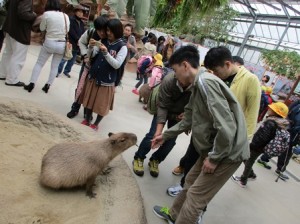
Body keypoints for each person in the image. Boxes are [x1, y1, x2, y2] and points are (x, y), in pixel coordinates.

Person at [151, 46, 249, 224]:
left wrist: (214, 158)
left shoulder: (206, 82)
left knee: (196, 197)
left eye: (175, 70)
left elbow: (226, 127)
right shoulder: (197, 85)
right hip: (211, 148)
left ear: (185, 66)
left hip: (227, 153)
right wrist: (165, 136)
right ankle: (173, 215)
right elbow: (188, 119)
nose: (174, 75)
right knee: (189, 181)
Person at [167, 49, 261, 196]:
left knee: (205, 179)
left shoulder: (250, 80)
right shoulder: (210, 77)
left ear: (228, 64)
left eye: (216, 71)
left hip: (226, 136)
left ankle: (196, 206)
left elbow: (252, 113)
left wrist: (244, 139)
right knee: (192, 159)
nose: (214, 75)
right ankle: (184, 188)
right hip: (207, 130)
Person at [132, 66, 192, 178]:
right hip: (163, 109)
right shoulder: (169, 80)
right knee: (153, 134)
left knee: (171, 140)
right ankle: (139, 157)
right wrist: (159, 130)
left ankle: (155, 160)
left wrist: (188, 116)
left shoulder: (196, 84)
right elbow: (162, 106)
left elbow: (195, 105)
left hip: (179, 116)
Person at [80, 18, 127, 131]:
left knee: (102, 105)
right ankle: (87, 119)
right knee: (89, 101)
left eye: (110, 31)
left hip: (107, 81)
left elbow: (117, 65)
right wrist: (91, 47)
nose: (108, 33)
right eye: (107, 30)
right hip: (94, 76)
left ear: (117, 31)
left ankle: (96, 124)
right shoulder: (103, 40)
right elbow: (91, 55)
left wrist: (106, 53)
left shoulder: (122, 47)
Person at [232, 102, 289, 187]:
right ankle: (251, 175)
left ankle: (243, 180)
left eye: (271, 109)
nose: (269, 109)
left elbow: (263, 137)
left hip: (257, 147)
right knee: (247, 159)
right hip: (262, 147)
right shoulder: (278, 123)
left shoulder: (271, 123)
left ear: (276, 112)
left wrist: (252, 145)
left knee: (248, 160)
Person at [66, 15, 109, 119]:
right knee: (80, 86)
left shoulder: (109, 37)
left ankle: (87, 112)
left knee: (91, 90)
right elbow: (81, 42)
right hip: (87, 65)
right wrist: (85, 55)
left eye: (104, 30)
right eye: (99, 31)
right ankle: (75, 107)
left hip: (99, 69)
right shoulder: (90, 32)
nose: (102, 33)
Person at [23, 0, 69, 93]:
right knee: (55, 66)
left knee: (39, 63)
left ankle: (31, 84)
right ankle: (47, 85)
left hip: (49, 42)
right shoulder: (65, 16)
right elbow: (67, 30)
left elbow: (42, 28)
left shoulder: (47, 14)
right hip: (61, 44)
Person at [257, 100, 300, 180]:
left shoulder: (297, 103)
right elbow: (297, 123)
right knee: (287, 152)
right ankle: (280, 170)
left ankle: (263, 159)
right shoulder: (297, 105)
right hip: (292, 134)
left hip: (287, 128)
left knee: (276, 144)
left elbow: (289, 113)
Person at [0, 0, 36, 86]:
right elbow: (23, 13)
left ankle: (2, 73)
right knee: (18, 56)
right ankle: (12, 79)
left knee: (8, 53)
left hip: (10, 27)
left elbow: (7, 6)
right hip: (20, 31)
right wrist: (34, 15)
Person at [57, 5, 86, 78]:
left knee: (72, 60)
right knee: (65, 57)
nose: (80, 13)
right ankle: (58, 71)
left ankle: (67, 71)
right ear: (75, 12)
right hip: (71, 42)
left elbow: (83, 33)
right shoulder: (71, 20)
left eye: (82, 12)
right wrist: (78, 39)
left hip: (77, 44)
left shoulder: (82, 23)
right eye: (79, 11)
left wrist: (81, 41)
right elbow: (71, 31)